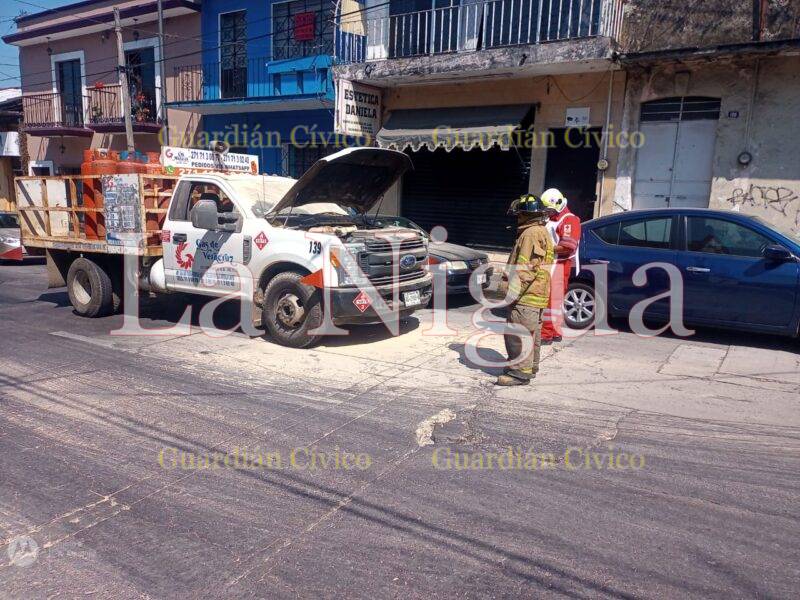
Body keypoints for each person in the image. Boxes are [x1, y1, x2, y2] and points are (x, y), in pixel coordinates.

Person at [495, 194, 556, 387]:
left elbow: (526, 268)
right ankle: (530, 367)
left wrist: (510, 292)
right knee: (531, 334)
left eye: (519, 214)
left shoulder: (530, 234)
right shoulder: (541, 231)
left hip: (526, 295)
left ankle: (519, 373)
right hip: (536, 294)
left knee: (518, 332)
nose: (517, 218)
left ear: (524, 214)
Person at [540, 188, 582, 345]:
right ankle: (555, 331)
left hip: (559, 264)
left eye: (549, 209)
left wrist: (543, 249)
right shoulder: (555, 218)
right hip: (552, 262)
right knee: (554, 300)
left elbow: (567, 246)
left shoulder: (569, 220)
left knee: (551, 301)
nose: (548, 212)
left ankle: (546, 334)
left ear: (557, 204)